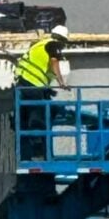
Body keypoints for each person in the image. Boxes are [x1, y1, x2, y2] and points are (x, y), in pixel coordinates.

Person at [13, 25, 71, 159]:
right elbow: (54, 62)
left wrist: (48, 90)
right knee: (38, 115)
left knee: (25, 117)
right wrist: (61, 82)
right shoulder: (53, 45)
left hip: (23, 83)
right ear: (62, 40)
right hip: (33, 84)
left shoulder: (40, 44)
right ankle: (38, 146)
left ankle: (27, 149)